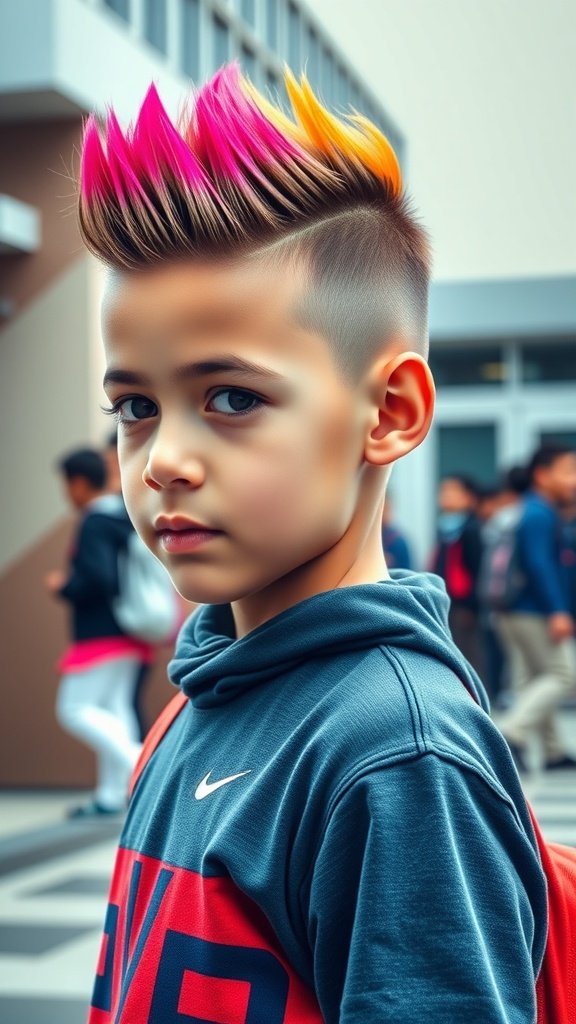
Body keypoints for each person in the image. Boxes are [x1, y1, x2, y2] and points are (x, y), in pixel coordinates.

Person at [78, 66, 547, 1021]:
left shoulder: (396, 754)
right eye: (135, 406)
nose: (162, 459)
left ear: (390, 412)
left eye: (233, 399)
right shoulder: (202, 689)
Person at [47, 448, 151, 816]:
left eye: (66, 484)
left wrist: (65, 586)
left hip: (100, 634)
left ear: (77, 482)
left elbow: (99, 578)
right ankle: (112, 795)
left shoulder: (94, 521)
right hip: (129, 631)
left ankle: (145, 765)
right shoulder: (122, 517)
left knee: (74, 709)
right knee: (114, 708)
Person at [495, 444, 576, 772]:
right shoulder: (539, 513)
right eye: (568, 470)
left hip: (514, 609)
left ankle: (554, 752)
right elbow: (539, 564)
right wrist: (558, 610)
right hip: (532, 610)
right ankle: (509, 731)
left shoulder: (528, 509)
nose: (573, 479)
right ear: (542, 475)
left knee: (534, 679)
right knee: (562, 675)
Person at [103, 428, 154, 740]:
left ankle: (134, 765)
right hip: (139, 625)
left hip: (125, 629)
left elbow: (102, 576)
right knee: (124, 703)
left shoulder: (109, 516)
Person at [429, 474, 484, 674]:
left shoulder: (471, 529)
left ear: (469, 498)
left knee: (467, 652)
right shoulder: (446, 528)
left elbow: (476, 569)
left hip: (463, 604)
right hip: (447, 600)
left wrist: (472, 605)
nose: (445, 496)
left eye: (453, 491)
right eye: (443, 491)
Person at [381, 494, 412, 568]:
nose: (385, 514)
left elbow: (407, 570)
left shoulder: (398, 541)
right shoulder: (367, 540)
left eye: (388, 509)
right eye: (383, 509)